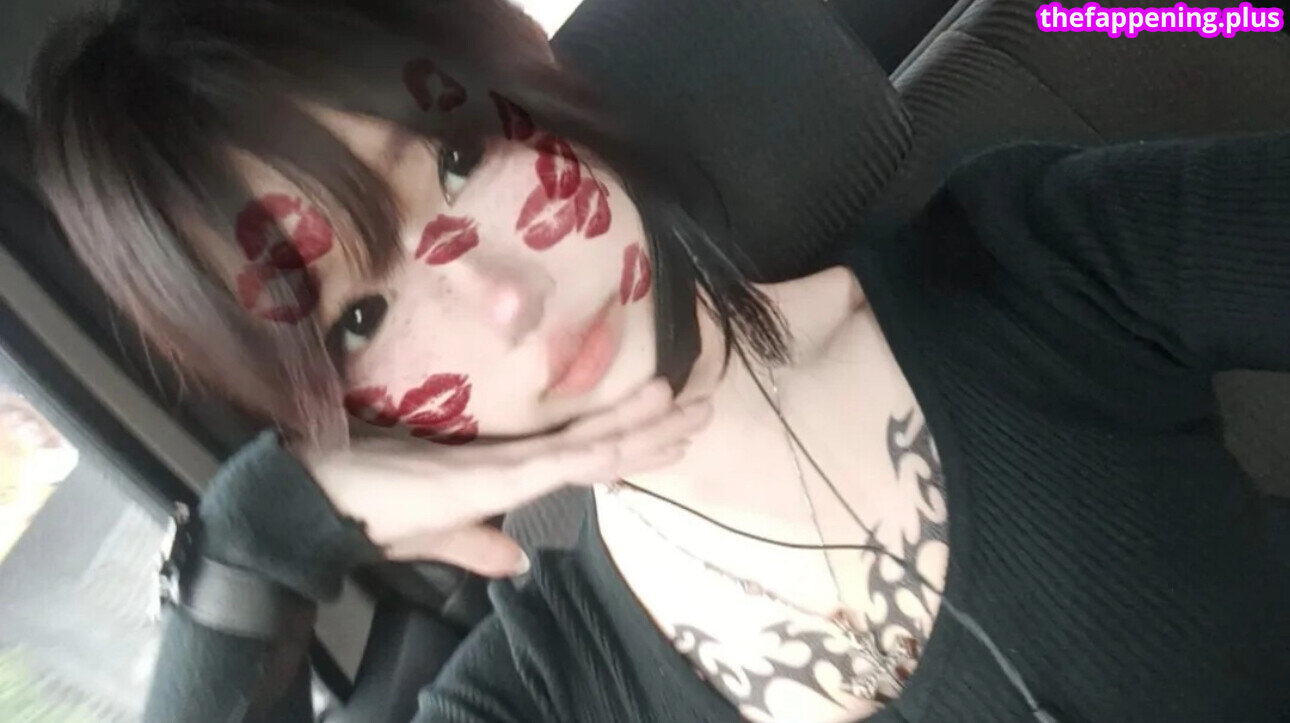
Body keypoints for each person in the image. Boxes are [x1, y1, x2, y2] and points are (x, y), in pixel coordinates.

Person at [25, 0, 1290, 721]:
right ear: (345, 416)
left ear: (528, 89)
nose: (502, 300)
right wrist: (255, 542)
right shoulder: (549, 687)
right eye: (359, 319)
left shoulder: (1040, 263)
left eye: (459, 159)